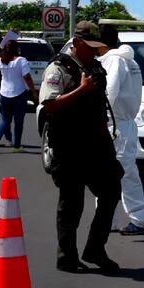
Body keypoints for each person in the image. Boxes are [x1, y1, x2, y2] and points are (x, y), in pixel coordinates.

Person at [39, 21, 124, 274]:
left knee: (111, 192)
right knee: (72, 204)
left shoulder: (95, 68)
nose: (96, 51)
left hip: (96, 145)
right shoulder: (59, 68)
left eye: (98, 46)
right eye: (90, 46)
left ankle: (95, 249)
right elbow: (49, 105)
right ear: (76, 43)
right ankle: (67, 256)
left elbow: (99, 111)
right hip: (69, 146)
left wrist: (110, 149)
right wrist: (81, 89)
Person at [98, 24, 144, 235]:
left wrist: (100, 116)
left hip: (115, 123)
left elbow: (110, 90)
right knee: (109, 173)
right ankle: (107, 218)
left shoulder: (114, 60)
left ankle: (140, 220)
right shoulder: (129, 60)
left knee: (122, 174)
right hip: (124, 123)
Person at [0, 39, 36, 153]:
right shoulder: (21, 60)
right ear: (17, 49)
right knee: (18, 121)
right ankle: (16, 146)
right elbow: (27, 77)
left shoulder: (1, 60)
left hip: (4, 94)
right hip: (19, 94)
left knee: (5, 120)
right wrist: (34, 91)